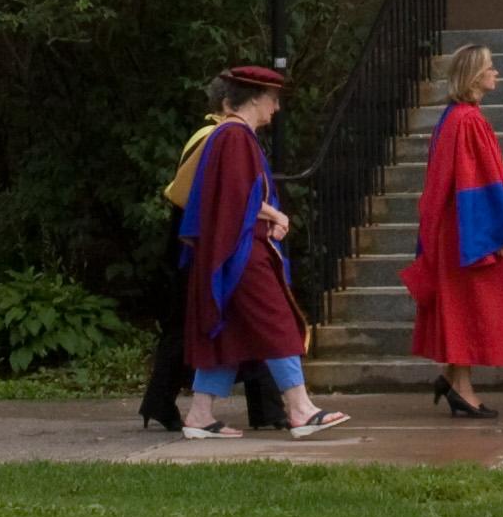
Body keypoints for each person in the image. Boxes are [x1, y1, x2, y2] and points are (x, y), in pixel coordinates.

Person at [174, 64, 351, 439]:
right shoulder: (235, 136)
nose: (277, 107)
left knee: (228, 328)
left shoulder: (229, 135)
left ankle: (200, 415)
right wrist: (276, 215)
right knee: (278, 321)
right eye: (273, 99)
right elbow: (238, 198)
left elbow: (232, 196)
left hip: (231, 249)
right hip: (242, 251)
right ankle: (300, 409)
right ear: (254, 98)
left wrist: (269, 216)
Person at [138, 84, 293, 432]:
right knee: (214, 324)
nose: (273, 107)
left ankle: (252, 408)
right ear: (228, 103)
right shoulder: (222, 136)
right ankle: (274, 408)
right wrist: (271, 215)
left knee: (221, 325)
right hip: (211, 246)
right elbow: (223, 195)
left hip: (206, 243)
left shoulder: (217, 135)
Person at [405, 43, 503, 416]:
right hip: (468, 231)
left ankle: (452, 379)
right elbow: (480, 182)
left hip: (454, 228)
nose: (495, 72)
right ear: (474, 76)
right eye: (489, 67)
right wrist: (499, 232)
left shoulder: (452, 118)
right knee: (468, 308)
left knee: (458, 308)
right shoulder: (469, 121)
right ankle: (462, 389)